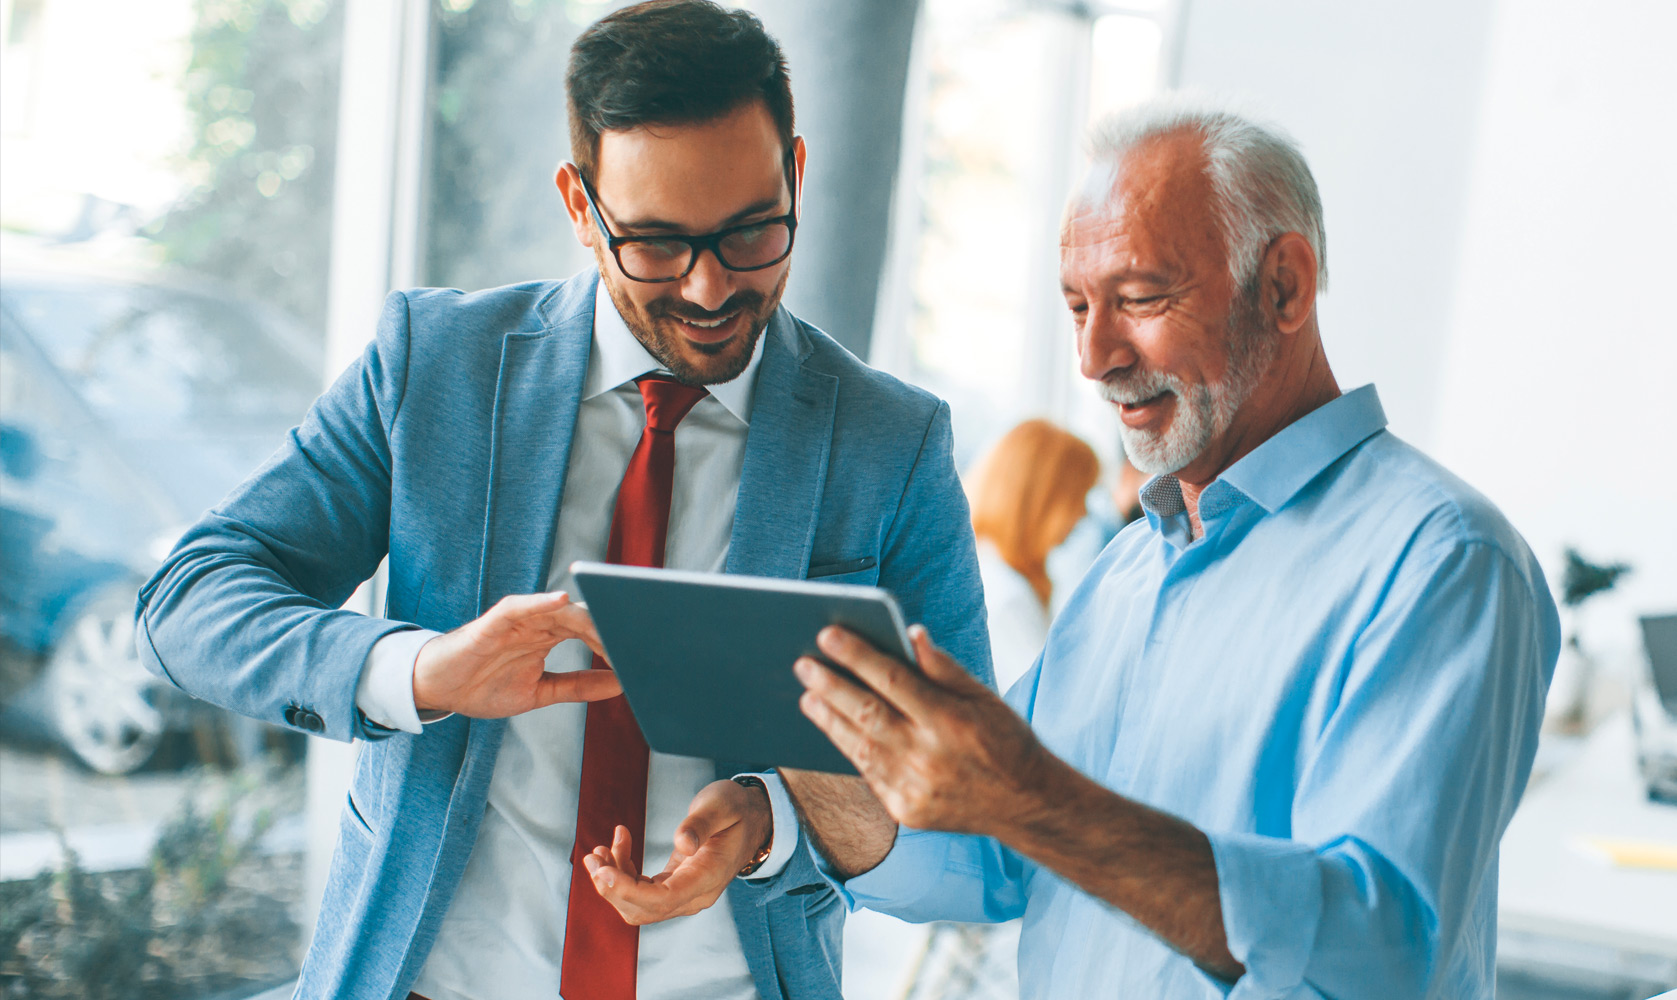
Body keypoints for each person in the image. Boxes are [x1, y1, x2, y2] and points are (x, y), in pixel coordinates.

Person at [132, 3, 989, 997]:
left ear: (795, 172)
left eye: (751, 232)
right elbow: (187, 601)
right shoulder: (436, 368)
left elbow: (974, 829)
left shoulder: (893, 444)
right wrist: (420, 670)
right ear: (580, 206)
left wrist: (775, 818)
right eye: (658, 244)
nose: (711, 289)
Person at [768, 100, 1561, 997]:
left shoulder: (1443, 561)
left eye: (1142, 299)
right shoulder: (1127, 570)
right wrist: (777, 743)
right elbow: (991, 859)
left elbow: (1376, 954)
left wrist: (1033, 798)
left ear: (1286, 286)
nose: (1096, 356)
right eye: (1077, 307)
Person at [968, 419, 1100, 689]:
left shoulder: (988, 568)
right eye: (1078, 498)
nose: (1082, 515)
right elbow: (1046, 709)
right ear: (1044, 500)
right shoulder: (1006, 597)